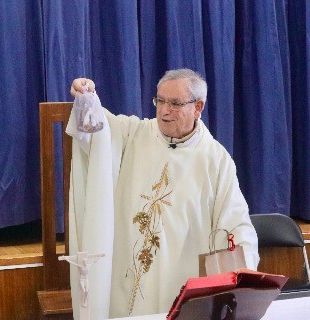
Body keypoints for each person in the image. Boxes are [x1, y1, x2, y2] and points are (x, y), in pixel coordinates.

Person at [67, 68, 259, 319]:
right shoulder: (134, 134)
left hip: (178, 277)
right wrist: (87, 98)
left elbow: (236, 222)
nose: (164, 110)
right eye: (160, 101)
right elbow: (97, 133)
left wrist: (243, 271)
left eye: (175, 103)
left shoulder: (215, 159)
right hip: (124, 276)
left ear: (198, 107)